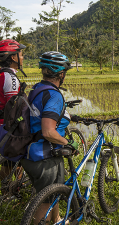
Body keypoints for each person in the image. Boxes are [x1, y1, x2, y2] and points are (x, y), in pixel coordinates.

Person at [20, 51, 78, 224]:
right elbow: (48, 132)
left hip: (30, 153)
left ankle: (58, 219)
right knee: (44, 202)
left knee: (54, 193)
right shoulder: (54, 95)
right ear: (61, 74)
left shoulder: (38, 88)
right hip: (44, 157)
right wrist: (68, 142)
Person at [0, 39, 26, 186]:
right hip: (5, 127)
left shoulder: (3, 75)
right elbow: (13, 108)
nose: (22, 57)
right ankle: (7, 189)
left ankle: (16, 186)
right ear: (13, 57)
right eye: (20, 54)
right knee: (22, 149)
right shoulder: (10, 78)